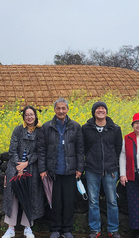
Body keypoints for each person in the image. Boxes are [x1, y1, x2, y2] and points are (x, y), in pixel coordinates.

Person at [37, 98, 84, 238]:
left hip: (70, 171)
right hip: (53, 172)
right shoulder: (46, 127)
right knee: (54, 202)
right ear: (54, 110)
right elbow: (41, 150)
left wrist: (79, 168)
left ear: (68, 109)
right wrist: (42, 169)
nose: (61, 111)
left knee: (69, 202)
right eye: (58, 108)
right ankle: (55, 229)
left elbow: (80, 150)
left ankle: (67, 230)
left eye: (64, 108)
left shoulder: (75, 126)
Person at [2, 105, 45, 238]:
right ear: (23, 117)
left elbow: (40, 151)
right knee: (13, 196)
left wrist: (27, 162)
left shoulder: (40, 131)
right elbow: (12, 150)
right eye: (27, 115)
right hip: (15, 168)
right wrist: (18, 166)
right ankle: (11, 228)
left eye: (32, 114)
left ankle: (28, 227)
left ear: (35, 116)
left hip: (32, 167)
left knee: (30, 195)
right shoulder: (18, 130)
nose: (29, 117)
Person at [82, 101, 122, 238]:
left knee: (112, 201)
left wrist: (113, 164)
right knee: (93, 201)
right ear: (93, 112)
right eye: (97, 108)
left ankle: (113, 229)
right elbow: (83, 148)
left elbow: (118, 149)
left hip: (110, 171)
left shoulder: (115, 129)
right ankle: (95, 229)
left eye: (103, 108)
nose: (100, 110)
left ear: (106, 111)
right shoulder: (86, 128)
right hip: (92, 170)